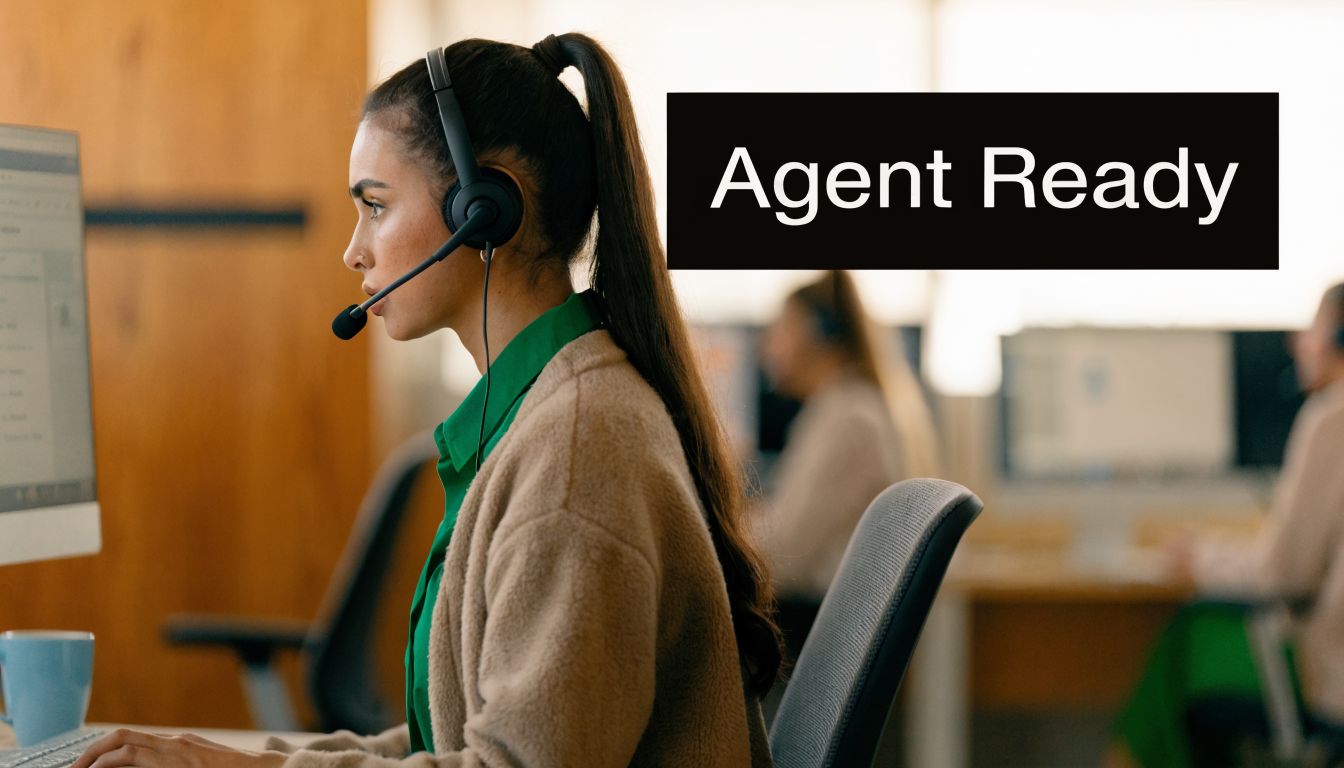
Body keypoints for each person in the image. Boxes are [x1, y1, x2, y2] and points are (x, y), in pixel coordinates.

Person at [73, 34, 781, 768]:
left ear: (486, 209)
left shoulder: (575, 450)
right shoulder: (546, 417)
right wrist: (241, 761)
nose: (354, 250)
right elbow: (455, 743)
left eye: (375, 206)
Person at [1108, 282, 1344, 768]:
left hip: (1332, 679)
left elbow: (1285, 573)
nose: (1298, 342)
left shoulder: (1331, 418)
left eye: (1315, 328)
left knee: (1185, 643)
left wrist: (1201, 559)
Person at [752, 270, 939, 659]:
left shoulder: (848, 418)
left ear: (816, 334)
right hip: (823, 627)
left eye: (781, 329)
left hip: (813, 633)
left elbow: (784, 556)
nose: (767, 346)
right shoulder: (843, 407)